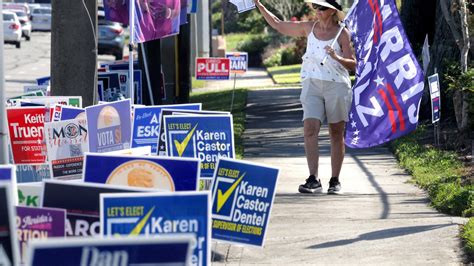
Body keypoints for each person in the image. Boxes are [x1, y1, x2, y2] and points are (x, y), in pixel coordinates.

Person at [254, 0, 356, 194]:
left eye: (322, 7)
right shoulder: (309, 28)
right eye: (315, 6)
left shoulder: (342, 33)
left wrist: (337, 57)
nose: (317, 10)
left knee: (336, 133)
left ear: (333, 11)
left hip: (337, 86)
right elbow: (277, 24)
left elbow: (352, 64)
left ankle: (335, 180)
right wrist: (259, 4)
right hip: (312, 84)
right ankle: (313, 178)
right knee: (310, 129)